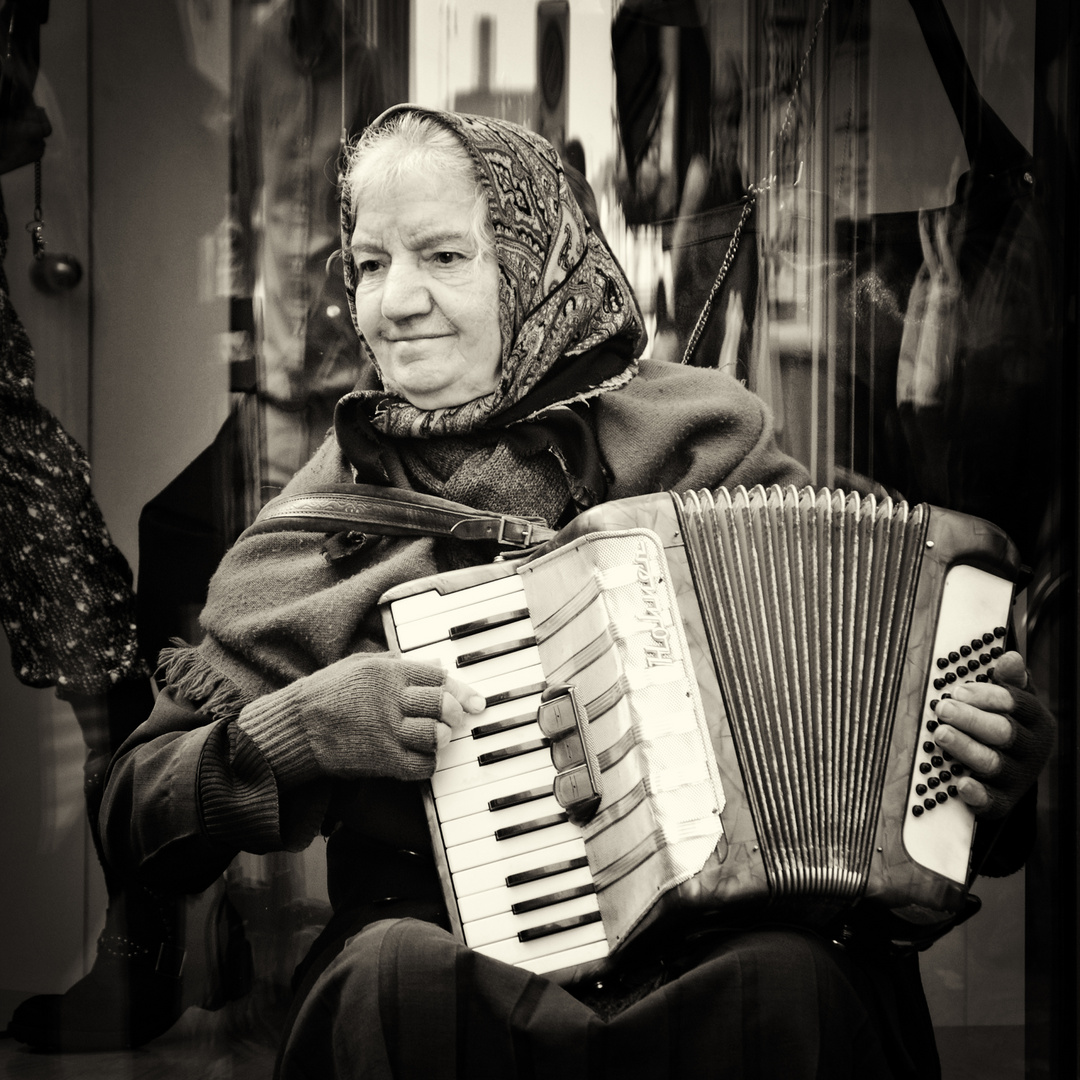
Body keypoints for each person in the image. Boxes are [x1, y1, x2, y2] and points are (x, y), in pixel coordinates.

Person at [99, 106, 1055, 1078]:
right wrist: (298, 733)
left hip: (715, 955)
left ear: (534, 260)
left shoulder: (704, 439)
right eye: (372, 264)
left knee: (797, 984)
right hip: (448, 963)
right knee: (390, 977)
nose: (396, 303)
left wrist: (989, 768)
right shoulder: (320, 525)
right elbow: (134, 816)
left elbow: (886, 736)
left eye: (443, 256)